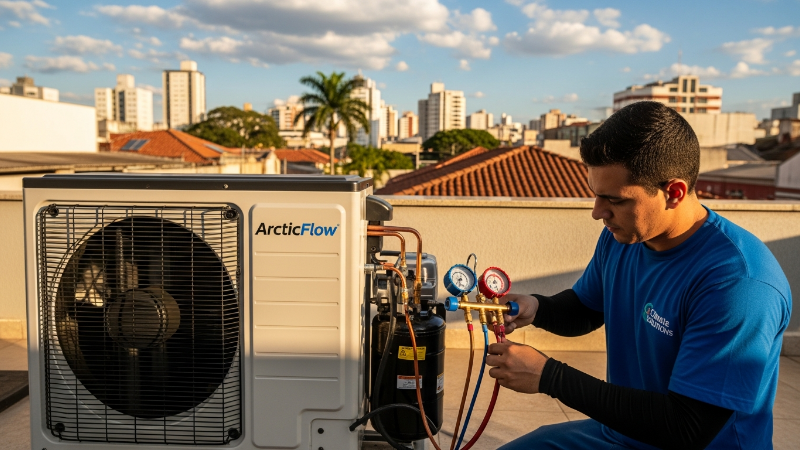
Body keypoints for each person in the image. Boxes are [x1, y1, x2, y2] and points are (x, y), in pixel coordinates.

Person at [486, 101, 791, 449]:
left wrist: (550, 376)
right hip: (623, 434)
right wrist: (536, 307)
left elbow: (687, 427)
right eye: (595, 195)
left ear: (673, 192)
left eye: (613, 200)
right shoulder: (623, 238)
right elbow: (586, 309)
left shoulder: (739, 284)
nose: (597, 212)